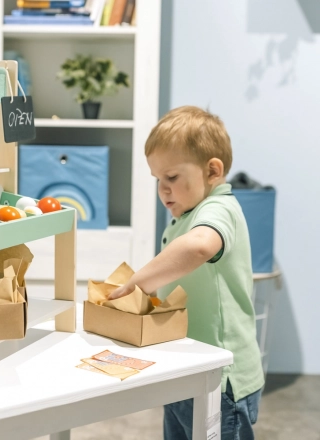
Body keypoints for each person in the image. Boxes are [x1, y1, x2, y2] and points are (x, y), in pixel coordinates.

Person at [108, 106, 264, 439]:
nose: (163, 189)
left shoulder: (219, 208)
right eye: (158, 180)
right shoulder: (187, 215)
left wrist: (141, 283)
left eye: (172, 177)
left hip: (222, 380)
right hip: (188, 369)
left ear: (212, 171)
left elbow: (199, 247)